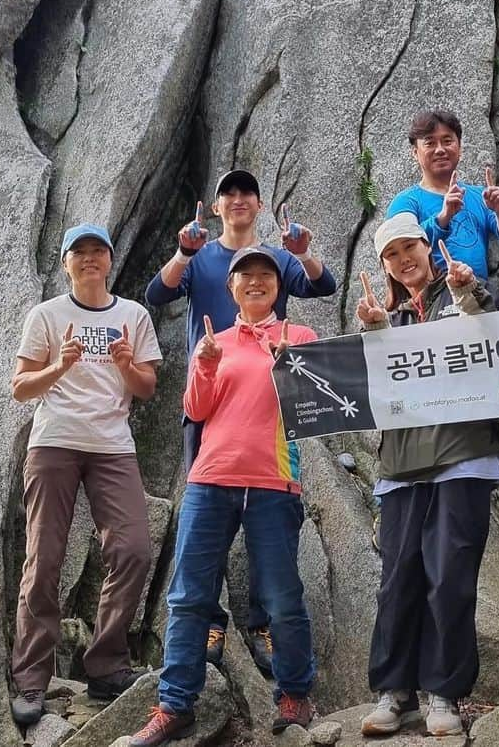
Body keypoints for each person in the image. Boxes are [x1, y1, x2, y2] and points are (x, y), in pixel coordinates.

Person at [145, 168, 336, 669]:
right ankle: (209, 620)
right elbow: (156, 295)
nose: (238, 200)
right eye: (228, 193)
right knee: (204, 512)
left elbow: (322, 286)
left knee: (268, 518)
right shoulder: (203, 256)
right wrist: (183, 251)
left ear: (259, 203)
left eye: (246, 193)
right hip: (209, 390)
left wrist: (301, 251)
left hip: (267, 400)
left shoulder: (273, 259)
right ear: (215, 205)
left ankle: (262, 625)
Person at [129, 247, 318, 746]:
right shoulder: (214, 341)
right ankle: (174, 705)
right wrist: (206, 364)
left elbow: (317, 408)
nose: (255, 282)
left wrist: (291, 368)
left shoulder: (299, 338)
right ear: (231, 288)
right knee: (189, 595)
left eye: (265, 276)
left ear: (278, 287)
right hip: (210, 479)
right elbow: (196, 407)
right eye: (245, 276)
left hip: (275, 481)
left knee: (281, 597)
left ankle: (295, 693)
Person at [357, 215, 499, 739]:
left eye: (410, 247)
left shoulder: (464, 291)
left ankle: (444, 693)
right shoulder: (386, 319)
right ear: (385, 267)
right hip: (400, 467)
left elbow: (498, 338)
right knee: (397, 578)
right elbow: (367, 393)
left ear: (429, 246)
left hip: (464, 455)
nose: (404, 260)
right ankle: (394, 691)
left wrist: (468, 294)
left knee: (450, 576)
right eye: (391, 254)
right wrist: (374, 333)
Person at [10, 224, 161, 728]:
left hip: (112, 447)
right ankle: (32, 678)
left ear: (111, 260)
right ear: (66, 262)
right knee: (44, 557)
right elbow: (20, 387)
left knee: (134, 548)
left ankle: (106, 662)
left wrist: (123, 363)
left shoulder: (133, 315)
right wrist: (59, 367)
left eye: (99, 251)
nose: (91, 258)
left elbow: (146, 387)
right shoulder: (46, 315)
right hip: (53, 443)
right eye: (81, 251)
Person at [386, 109, 499, 279]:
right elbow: (399, 245)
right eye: (430, 143)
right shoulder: (405, 202)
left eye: (447, 141)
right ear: (415, 152)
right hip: (433, 296)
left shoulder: (479, 195)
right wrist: (443, 217)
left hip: (479, 293)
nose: (440, 150)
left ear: (459, 148)